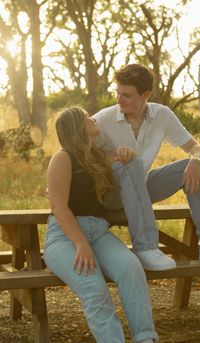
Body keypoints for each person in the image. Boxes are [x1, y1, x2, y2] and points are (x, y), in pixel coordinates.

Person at [93, 63, 200, 271]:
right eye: (118, 93)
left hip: (141, 188)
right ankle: (146, 248)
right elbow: (77, 153)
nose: (119, 99)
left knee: (194, 167)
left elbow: (195, 148)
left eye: (127, 95)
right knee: (132, 163)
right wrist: (114, 156)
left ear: (145, 94)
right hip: (109, 194)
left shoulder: (162, 115)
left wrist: (196, 161)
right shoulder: (103, 119)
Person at [44, 106, 158, 343]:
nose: (93, 118)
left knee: (131, 268)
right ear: (77, 126)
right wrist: (80, 243)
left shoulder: (99, 156)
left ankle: (146, 338)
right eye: (87, 118)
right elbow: (59, 207)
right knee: (94, 289)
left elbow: (127, 167)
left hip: (99, 233)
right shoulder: (62, 157)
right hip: (66, 238)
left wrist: (127, 153)